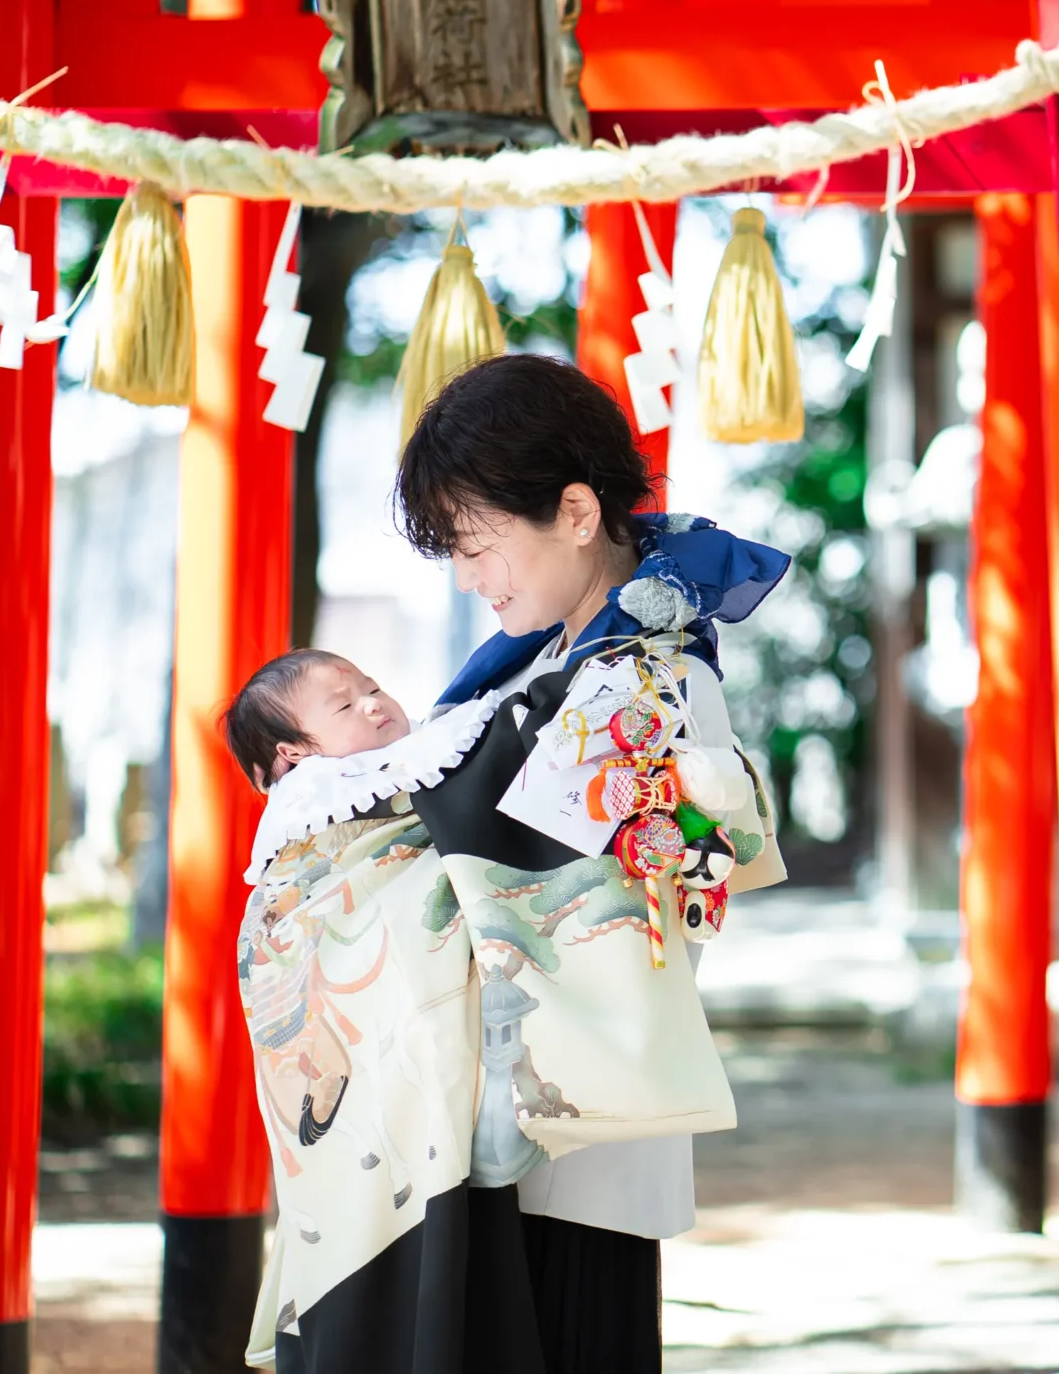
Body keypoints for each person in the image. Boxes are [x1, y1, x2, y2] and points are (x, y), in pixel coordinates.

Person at [230, 353, 789, 1374]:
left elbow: (647, 896)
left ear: (575, 512)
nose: (467, 578)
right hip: (469, 1132)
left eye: (476, 545)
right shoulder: (524, 672)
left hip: (573, 1135)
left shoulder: (654, 682)